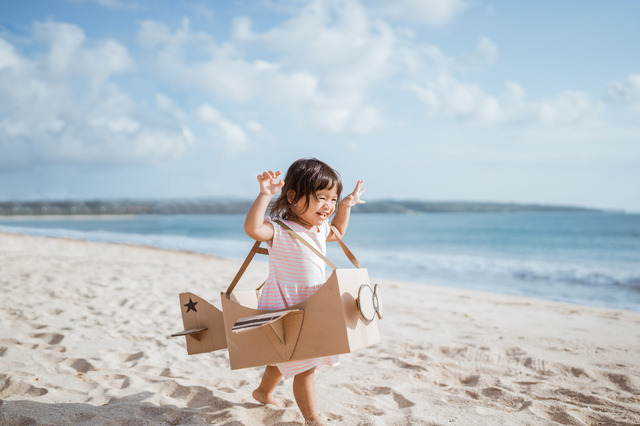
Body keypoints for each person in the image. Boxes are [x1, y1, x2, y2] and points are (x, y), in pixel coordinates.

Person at [243, 158, 365, 426]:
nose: (328, 205)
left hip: (311, 303)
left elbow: (339, 231)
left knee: (284, 356)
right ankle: (313, 420)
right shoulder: (280, 229)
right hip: (284, 305)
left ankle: (263, 392)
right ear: (293, 197)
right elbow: (252, 229)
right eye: (322, 197)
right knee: (305, 367)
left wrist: (346, 207)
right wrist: (264, 195)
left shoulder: (320, 229)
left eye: (333, 198)